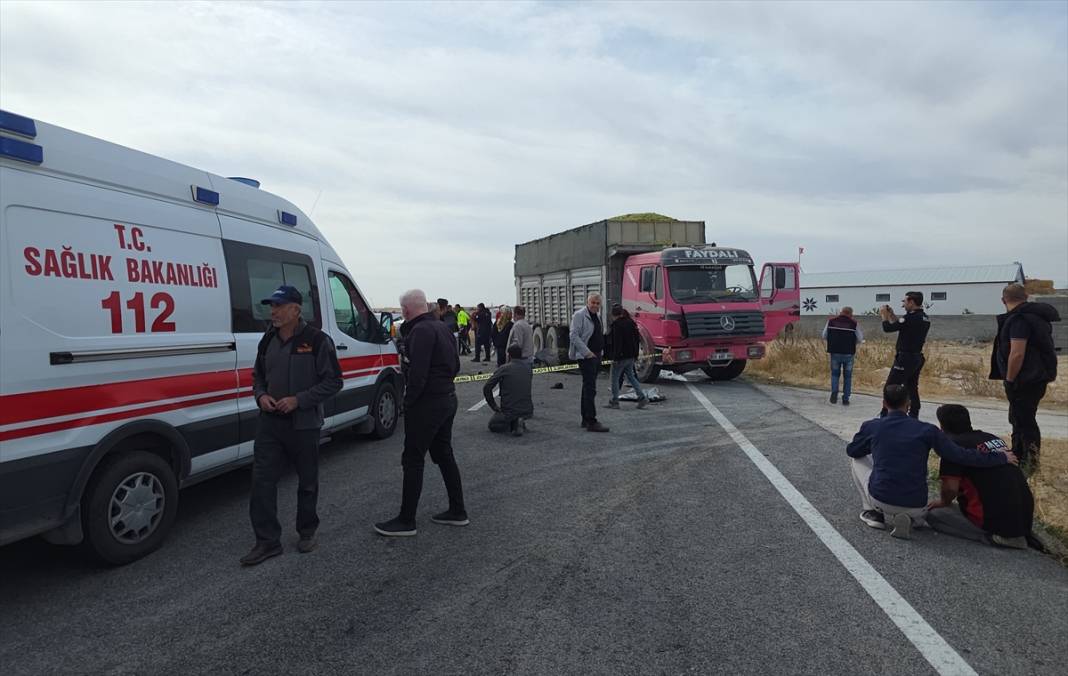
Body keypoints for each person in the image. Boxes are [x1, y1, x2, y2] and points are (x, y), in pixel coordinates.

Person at [241, 285, 343, 566]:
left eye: (279, 306)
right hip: (270, 424)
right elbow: (257, 376)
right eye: (271, 306)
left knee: (307, 481)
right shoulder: (267, 340)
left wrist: (299, 400)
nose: (273, 311)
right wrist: (260, 396)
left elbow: (334, 381)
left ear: (296, 310)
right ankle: (267, 541)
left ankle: (307, 531)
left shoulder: (317, 340)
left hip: (304, 423)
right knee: (262, 481)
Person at [846, 384, 1016, 540]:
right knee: (916, 506)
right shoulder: (927, 430)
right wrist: (1000, 457)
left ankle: (872, 513)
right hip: (916, 504)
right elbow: (959, 455)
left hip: (881, 499)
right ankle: (914, 519)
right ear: (908, 403)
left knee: (857, 460)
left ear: (884, 403)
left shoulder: (872, 426)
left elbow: (853, 451)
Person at [374, 289, 467, 537]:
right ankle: (458, 510)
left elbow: (418, 374)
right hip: (448, 398)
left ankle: (406, 520)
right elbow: (456, 365)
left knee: (413, 459)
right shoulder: (441, 328)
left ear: (405, 311)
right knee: (444, 454)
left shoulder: (420, 331)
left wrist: (408, 402)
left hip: (429, 403)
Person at [929, 404, 1034, 549]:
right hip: (1024, 519)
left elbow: (950, 489)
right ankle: (1015, 534)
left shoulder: (953, 447)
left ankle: (992, 537)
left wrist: (943, 502)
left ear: (942, 426)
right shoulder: (992, 438)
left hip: (993, 520)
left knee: (933, 514)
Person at [989, 283, 1060, 473]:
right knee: (1019, 418)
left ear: (1003, 300)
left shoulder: (1019, 319)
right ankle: (1018, 456)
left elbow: (1017, 354)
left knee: (1024, 421)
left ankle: (1029, 464)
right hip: (1036, 377)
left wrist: (1010, 380)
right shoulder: (1036, 317)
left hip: (1024, 379)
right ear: (1026, 297)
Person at [878, 291, 930, 418]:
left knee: (890, 387)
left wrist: (884, 316)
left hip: (905, 358)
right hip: (916, 357)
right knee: (912, 387)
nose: (903, 304)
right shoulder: (923, 317)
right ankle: (914, 414)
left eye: (904, 301)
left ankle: (885, 415)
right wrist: (892, 314)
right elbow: (899, 325)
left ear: (912, 302)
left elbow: (888, 328)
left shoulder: (910, 318)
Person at [569, 293, 609, 432]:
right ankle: (592, 421)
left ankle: (585, 419)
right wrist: (587, 352)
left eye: (598, 303)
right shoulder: (579, 315)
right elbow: (573, 335)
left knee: (587, 388)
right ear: (587, 302)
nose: (595, 305)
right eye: (593, 302)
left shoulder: (597, 316)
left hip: (596, 356)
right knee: (590, 389)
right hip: (586, 357)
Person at [484, 344, 534, 436]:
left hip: (509, 409)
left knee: (493, 425)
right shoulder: (528, 368)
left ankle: (513, 423)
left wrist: (494, 406)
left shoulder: (504, 368)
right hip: (528, 409)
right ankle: (520, 420)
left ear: (509, 355)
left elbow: (487, 387)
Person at [606, 304, 647, 409]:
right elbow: (636, 339)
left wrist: (615, 357)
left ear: (613, 314)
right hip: (631, 356)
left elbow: (617, 343)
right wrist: (635, 354)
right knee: (631, 377)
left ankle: (615, 401)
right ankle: (641, 397)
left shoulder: (616, 325)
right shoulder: (631, 322)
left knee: (615, 378)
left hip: (621, 357)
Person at [822, 306, 863, 406]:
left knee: (835, 374)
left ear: (841, 312)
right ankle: (845, 399)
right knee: (847, 376)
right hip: (849, 353)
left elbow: (824, 335)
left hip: (835, 352)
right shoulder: (854, 323)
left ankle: (834, 393)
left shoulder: (831, 321)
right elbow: (860, 338)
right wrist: (852, 343)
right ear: (850, 313)